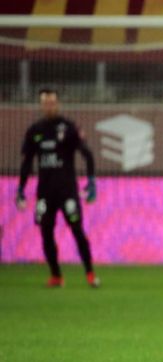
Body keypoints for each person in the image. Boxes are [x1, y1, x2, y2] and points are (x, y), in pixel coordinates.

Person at [16, 88, 99, 288]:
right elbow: (27, 162)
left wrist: (91, 181)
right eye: (45, 103)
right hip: (45, 192)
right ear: (41, 105)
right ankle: (56, 275)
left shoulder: (68, 127)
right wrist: (21, 189)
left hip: (67, 191)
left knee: (77, 230)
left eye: (52, 102)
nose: (49, 106)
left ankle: (90, 273)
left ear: (57, 104)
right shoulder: (35, 130)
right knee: (46, 232)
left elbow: (87, 154)